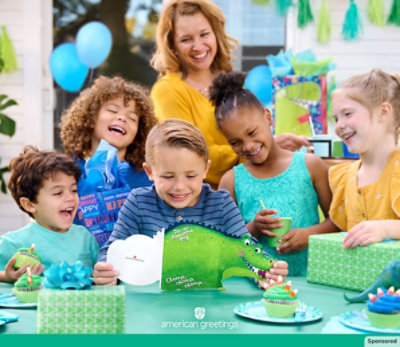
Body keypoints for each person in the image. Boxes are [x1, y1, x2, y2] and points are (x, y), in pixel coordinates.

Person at [94, 119, 288, 285]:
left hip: (210, 304)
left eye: (191, 176)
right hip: (153, 306)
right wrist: (107, 271)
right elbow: (113, 249)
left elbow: (245, 249)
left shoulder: (221, 204)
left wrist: (264, 273)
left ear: (205, 169)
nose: (180, 187)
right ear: (150, 172)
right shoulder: (137, 202)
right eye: (168, 176)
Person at [150, 0, 310, 188]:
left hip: (251, 189)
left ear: (216, 34)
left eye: (204, 34)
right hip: (206, 203)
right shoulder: (167, 90)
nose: (198, 46)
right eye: (186, 39)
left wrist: (273, 146)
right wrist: (260, 147)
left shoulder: (229, 81)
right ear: (172, 45)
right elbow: (188, 153)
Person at [210, 72, 338, 276]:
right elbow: (223, 244)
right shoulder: (231, 181)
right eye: (235, 142)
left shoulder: (310, 165)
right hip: (253, 286)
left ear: (268, 117)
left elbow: (338, 222)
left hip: (308, 282)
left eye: (252, 133)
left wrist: (308, 234)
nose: (248, 146)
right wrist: (253, 228)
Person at [0, 146, 99, 283]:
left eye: (74, 190)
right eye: (58, 193)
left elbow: (99, 275)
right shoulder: (13, 242)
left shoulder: (85, 237)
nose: (70, 197)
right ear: (29, 204)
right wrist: (6, 277)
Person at [330, 68, 400, 249]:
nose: (339, 126)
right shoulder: (344, 177)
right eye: (336, 118)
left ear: (383, 112)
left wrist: (386, 228)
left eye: (347, 114)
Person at [60, 75, 158, 190]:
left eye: (132, 118)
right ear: (90, 116)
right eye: (112, 110)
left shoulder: (149, 177)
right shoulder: (66, 171)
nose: (122, 118)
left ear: (139, 133)